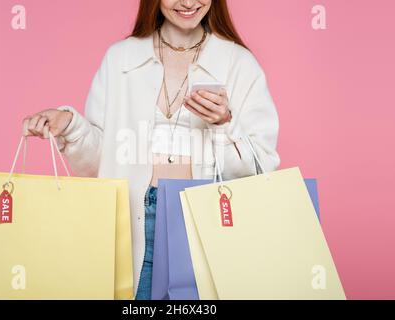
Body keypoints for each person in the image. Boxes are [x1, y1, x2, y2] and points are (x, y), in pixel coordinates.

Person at [22, 0, 280, 300]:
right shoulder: (121, 58)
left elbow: (261, 169)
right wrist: (69, 125)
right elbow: (100, 165)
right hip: (134, 216)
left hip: (205, 219)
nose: (187, 3)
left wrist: (223, 124)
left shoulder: (238, 62)